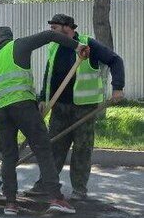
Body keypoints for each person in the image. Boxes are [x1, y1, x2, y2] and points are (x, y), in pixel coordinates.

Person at [0, 26, 89, 216]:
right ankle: (56, 198)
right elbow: (50, 35)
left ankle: (10, 203)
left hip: (1, 112)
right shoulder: (17, 45)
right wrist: (77, 46)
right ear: (8, 38)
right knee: (43, 149)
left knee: (9, 156)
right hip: (23, 107)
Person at [26, 14, 125, 200]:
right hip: (59, 106)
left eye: (54, 28)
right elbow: (49, 74)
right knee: (53, 147)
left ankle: (79, 190)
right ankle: (45, 186)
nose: (51, 32)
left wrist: (117, 88)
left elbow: (115, 61)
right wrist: (42, 99)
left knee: (82, 149)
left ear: (67, 28)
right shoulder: (54, 45)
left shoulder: (88, 44)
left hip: (84, 108)